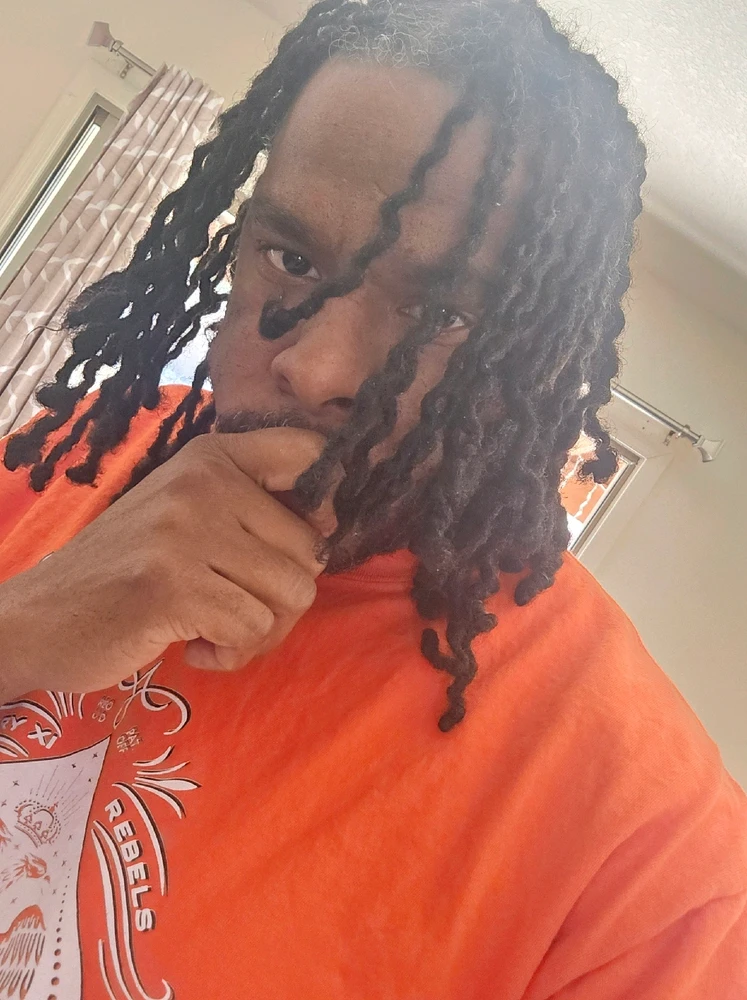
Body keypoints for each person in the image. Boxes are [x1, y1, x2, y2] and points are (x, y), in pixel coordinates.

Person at [0, 0, 744, 996]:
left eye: (439, 314)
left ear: (537, 360)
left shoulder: (652, 860)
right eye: (292, 259)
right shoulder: (68, 457)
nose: (315, 367)